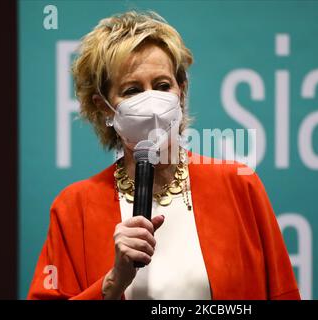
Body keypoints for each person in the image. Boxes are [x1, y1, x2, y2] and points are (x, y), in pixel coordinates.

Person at [27, 11, 300, 300]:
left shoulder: (239, 185)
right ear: (105, 107)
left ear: (180, 92)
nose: (152, 102)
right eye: (132, 90)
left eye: (162, 86)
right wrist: (112, 283)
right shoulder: (74, 208)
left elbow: (284, 293)